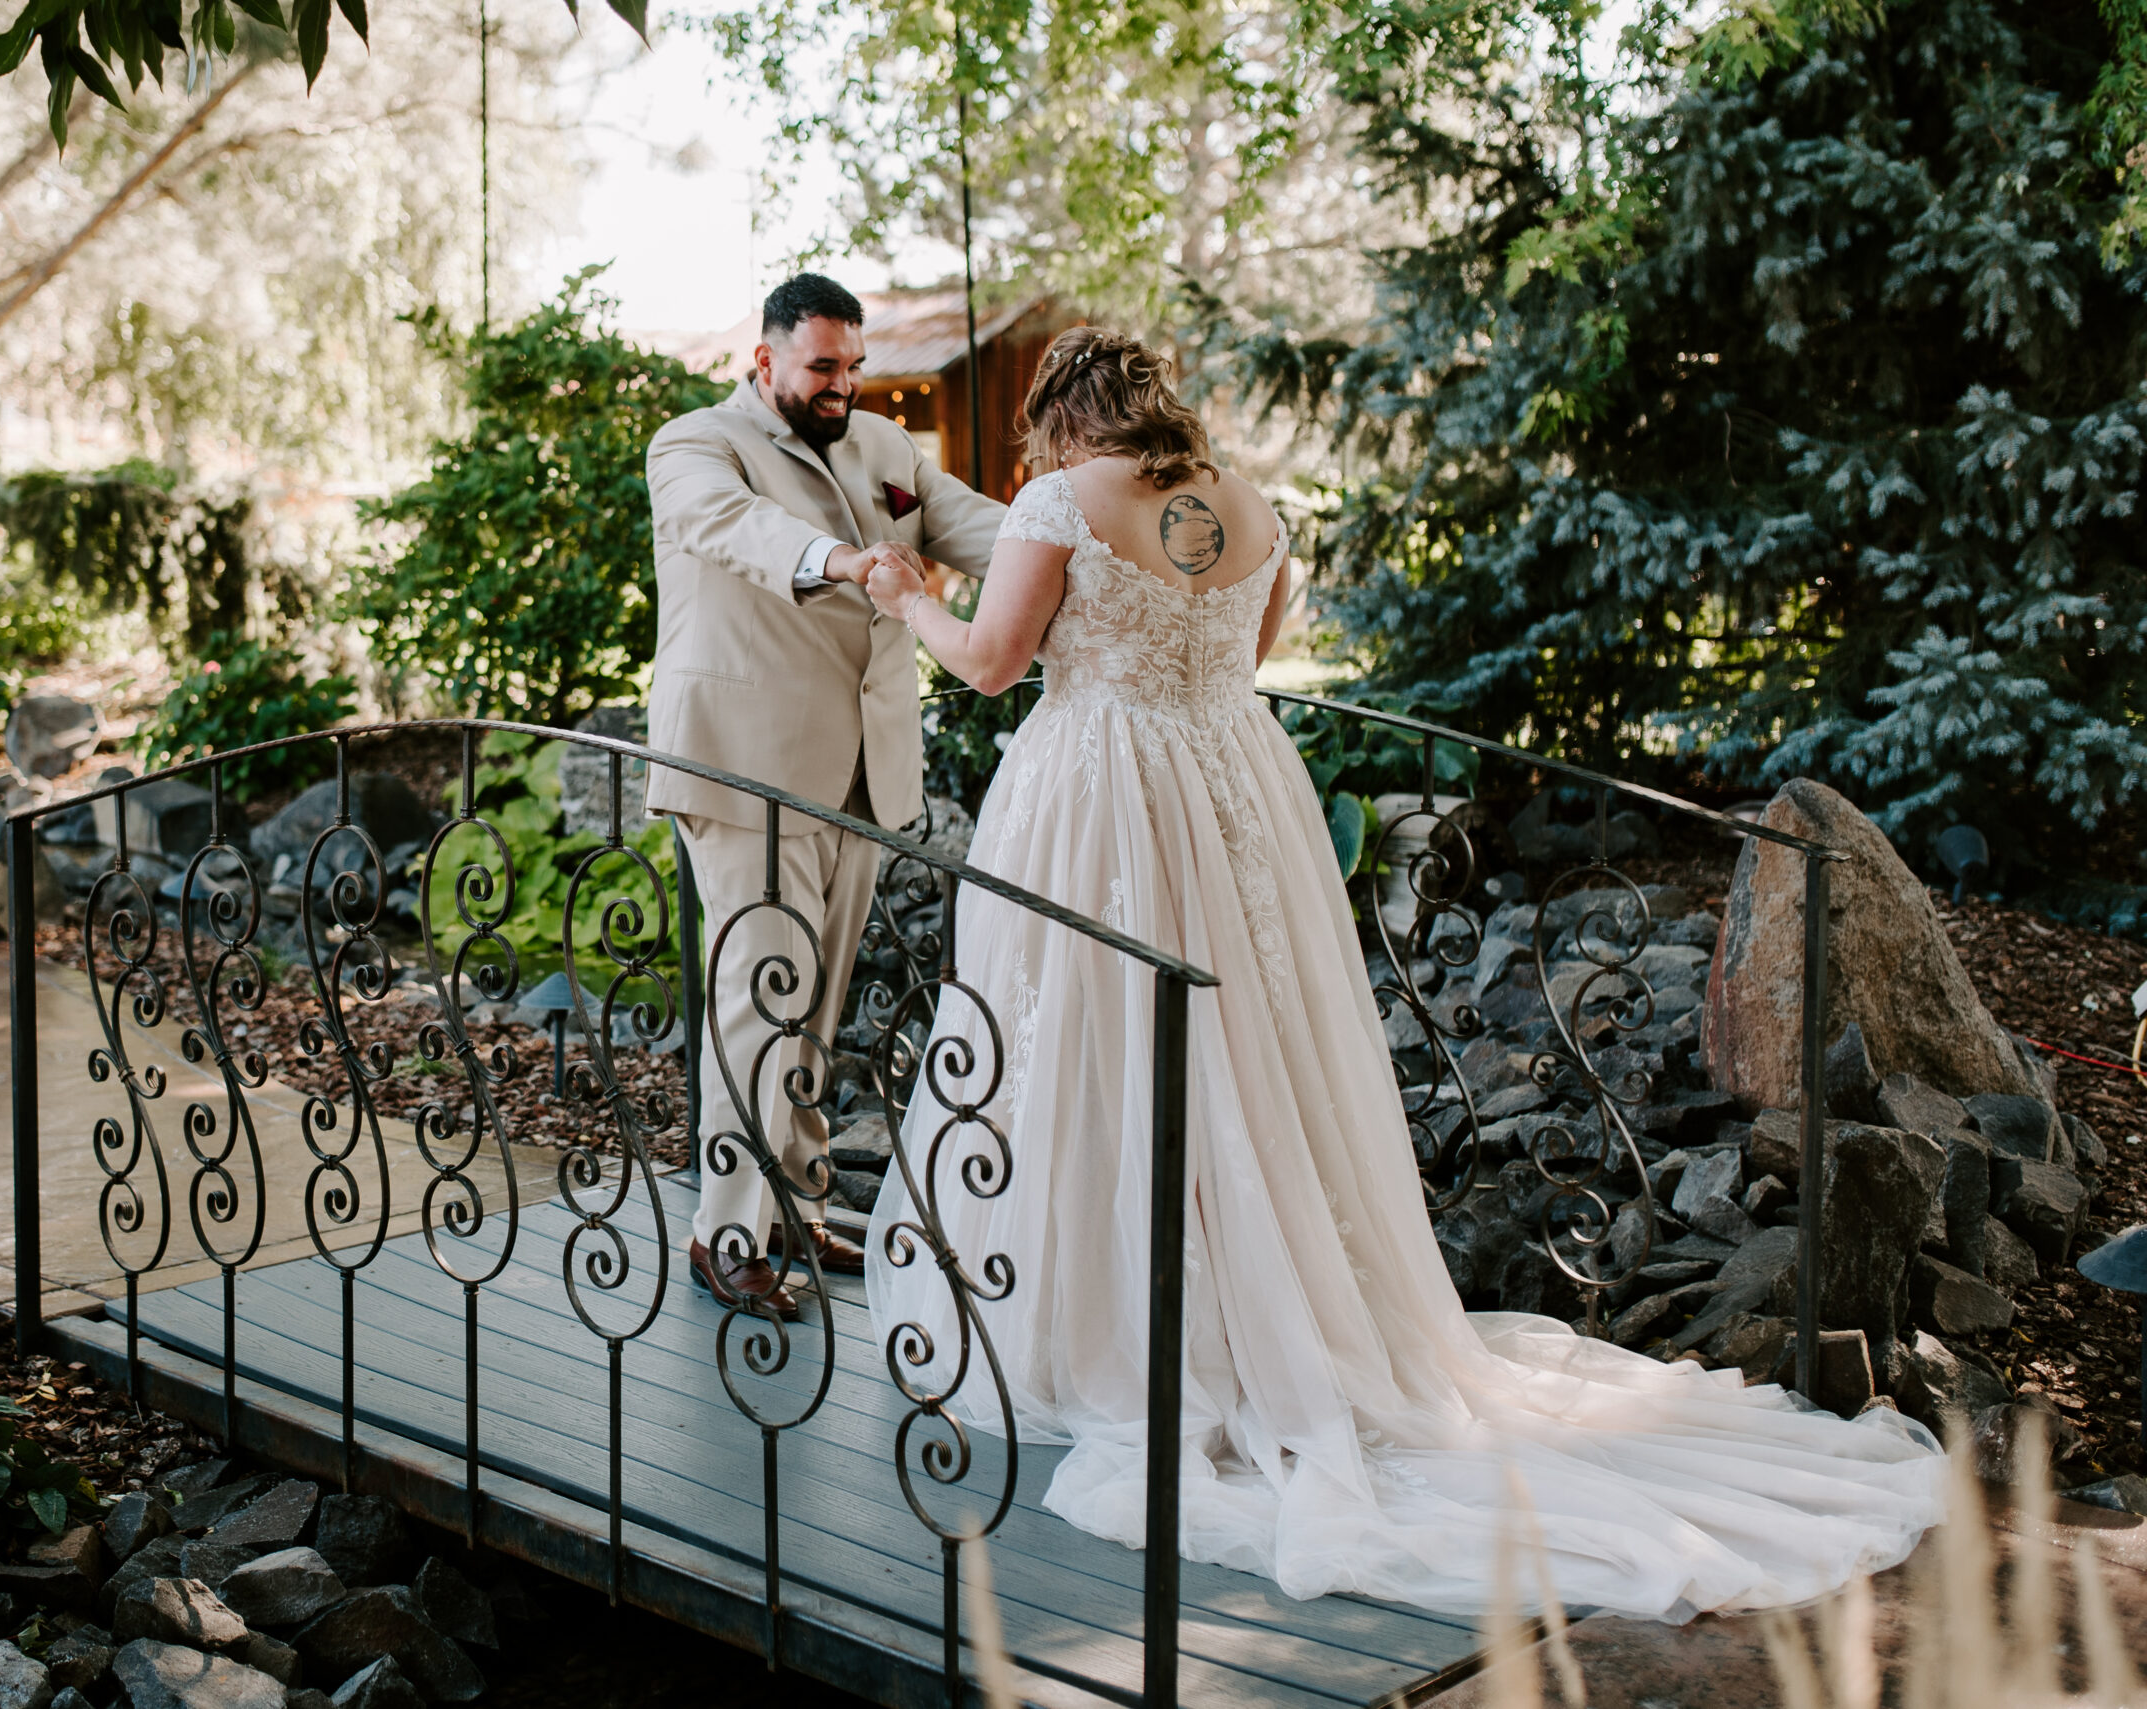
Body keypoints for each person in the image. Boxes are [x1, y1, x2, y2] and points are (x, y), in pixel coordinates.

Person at [860, 324, 1944, 1621]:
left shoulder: (1056, 498)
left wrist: (902, 591)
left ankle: (1094, 1316)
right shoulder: (1242, 506)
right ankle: (1264, 1307)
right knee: (1250, 1060)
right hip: (1233, 793)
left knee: (1088, 1043)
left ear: (1056, 419)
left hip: (1103, 802)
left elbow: (990, 664)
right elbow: (1242, 661)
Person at [645, 273, 1006, 1323]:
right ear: (765, 361)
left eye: (854, 365)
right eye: (822, 366)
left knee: (812, 1007)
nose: (844, 383)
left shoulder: (887, 449)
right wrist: (846, 561)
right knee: (761, 1001)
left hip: (861, 768)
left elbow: (969, 524)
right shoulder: (694, 444)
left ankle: (794, 1204)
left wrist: (1074, 548)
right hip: (744, 766)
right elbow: (735, 531)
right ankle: (725, 1230)